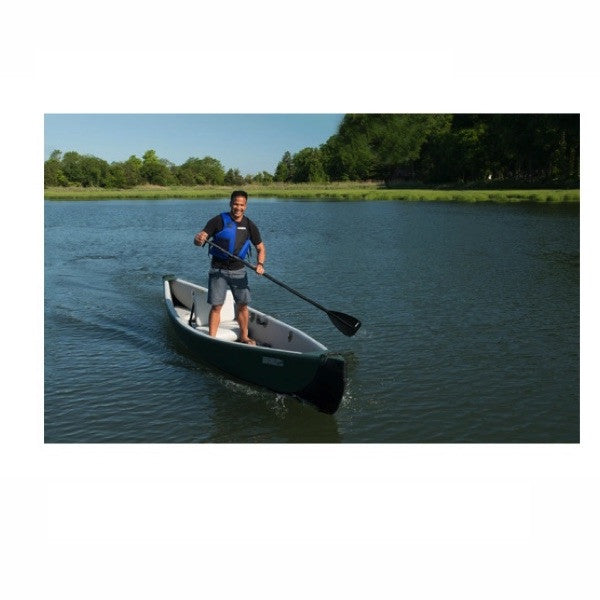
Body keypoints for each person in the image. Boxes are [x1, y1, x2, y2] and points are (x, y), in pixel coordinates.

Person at [194, 190, 266, 344]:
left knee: (243, 306)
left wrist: (260, 264)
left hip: (239, 271)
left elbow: (261, 248)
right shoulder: (218, 221)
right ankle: (211, 340)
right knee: (216, 306)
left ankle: (244, 336)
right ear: (230, 203)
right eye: (235, 204)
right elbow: (200, 239)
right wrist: (199, 239)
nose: (238, 207)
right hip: (218, 270)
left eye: (241, 205)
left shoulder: (249, 225)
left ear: (245, 206)